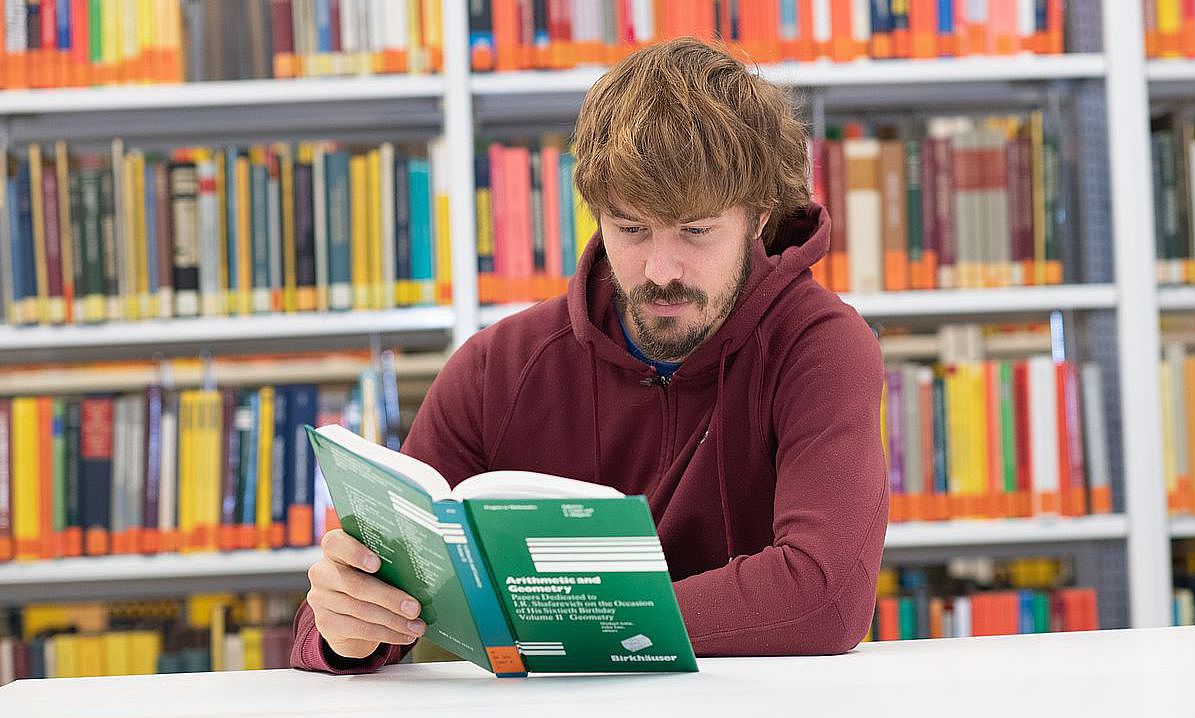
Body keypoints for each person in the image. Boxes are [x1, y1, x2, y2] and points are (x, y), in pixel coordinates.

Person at [291, 37, 888, 674]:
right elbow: (358, 607)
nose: (661, 270)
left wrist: (583, 621)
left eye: (696, 231)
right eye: (630, 229)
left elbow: (824, 596)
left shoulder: (820, 348)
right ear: (596, 216)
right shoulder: (499, 368)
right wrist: (343, 629)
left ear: (759, 216)